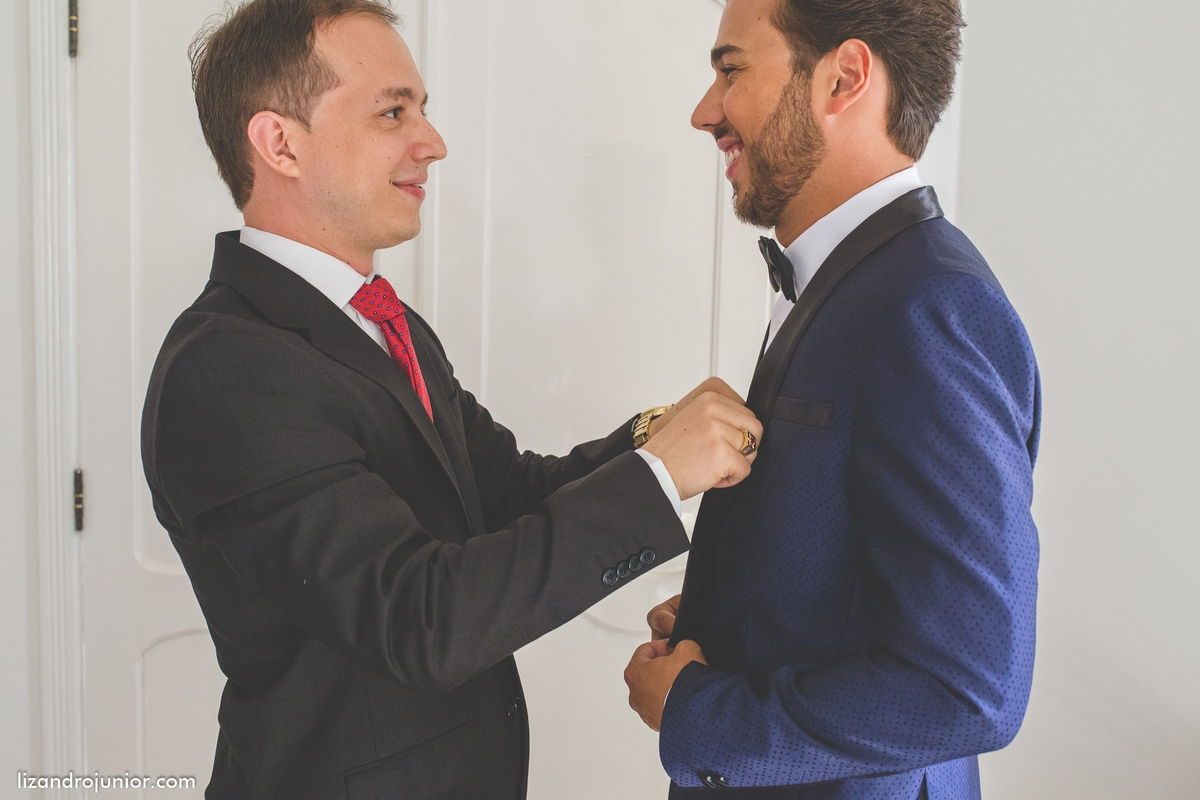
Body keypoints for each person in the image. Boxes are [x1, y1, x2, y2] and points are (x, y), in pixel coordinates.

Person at [140, 1, 764, 797]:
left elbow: (502, 494)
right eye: (393, 110)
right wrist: (655, 479)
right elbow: (419, 619)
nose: (431, 142)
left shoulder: (382, 324)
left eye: (423, 109)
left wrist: (655, 435)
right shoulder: (225, 366)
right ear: (280, 143)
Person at [624, 1, 1040, 798]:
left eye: (732, 68)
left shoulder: (932, 309)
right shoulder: (856, 278)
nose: (704, 110)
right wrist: (730, 618)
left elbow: (967, 685)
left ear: (844, 77)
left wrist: (701, 711)